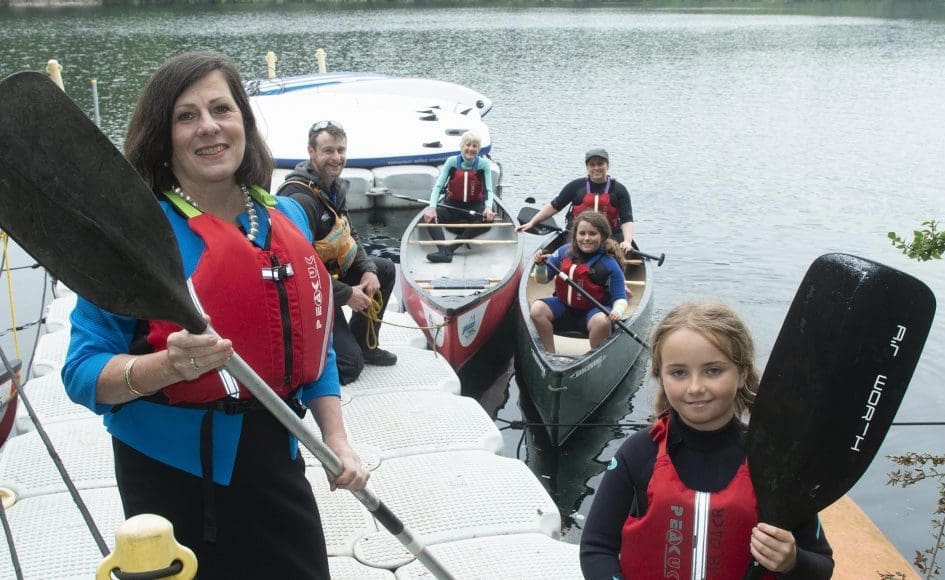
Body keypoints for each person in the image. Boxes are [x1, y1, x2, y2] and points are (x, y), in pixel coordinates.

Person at [62, 51, 369, 580]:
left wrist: (335, 439)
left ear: (244, 122)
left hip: (275, 454)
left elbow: (313, 350)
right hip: (168, 471)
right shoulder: (133, 237)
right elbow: (82, 372)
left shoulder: (286, 215)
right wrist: (167, 367)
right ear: (163, 134)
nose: (208, 127)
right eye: (186, 115)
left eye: (221, 110)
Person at [579, 301, 834, 579]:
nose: (696, 387)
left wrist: (791, 561)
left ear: (742, 375)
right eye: (678, 372)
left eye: (713, 370)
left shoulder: (772, 462)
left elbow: (821, 564)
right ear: (661, 377)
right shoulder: (639, 454)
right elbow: (596, 548)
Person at [277, 120, 398, 384]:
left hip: (330, 275)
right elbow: (297, 270)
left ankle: (364, 345)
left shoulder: (334, 187)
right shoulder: (299, 200)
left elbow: (348, 232)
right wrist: (346, 294)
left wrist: (367, 269)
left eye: (341, 150)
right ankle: (312, 356)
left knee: (384, 268)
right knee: (347, 366)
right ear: (311, 152)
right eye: (328, 151)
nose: (337, 157)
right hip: (309, 291)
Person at [529, 211, 628, 353]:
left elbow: (620, 298)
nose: (586, 238)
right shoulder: (563, 252)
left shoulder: (610, 264)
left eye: (593, 234)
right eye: (582, 233)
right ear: (575, 235)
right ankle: (549, 354)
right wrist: (539, 266)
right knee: (537, 309)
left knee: (602, 320)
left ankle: (593, 358)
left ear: (603, 236)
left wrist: (617, 311)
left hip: (593, 313)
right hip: (564, 308)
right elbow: (542, 280)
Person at [516, 147, 634, 255]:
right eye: (592, 165)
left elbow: (626, 219)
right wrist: (532, 222)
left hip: (609, 236)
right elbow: (554, 206)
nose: (596, 168)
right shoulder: (576, 186)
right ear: (587, 167)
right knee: (567, 256)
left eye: (600, 164)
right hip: (578, 236)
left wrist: (627, 241)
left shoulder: (619, 190)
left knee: (616, 257)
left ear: (607, 165)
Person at [422, 130, 497, 263]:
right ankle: (443, 251)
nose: (471, 149)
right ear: (462, 146)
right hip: (452, 205)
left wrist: (488, 208)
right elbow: (438, 187)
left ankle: (449, 249)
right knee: (429, 217)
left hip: (474, 205)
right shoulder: (452, 162)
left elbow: (488, 191)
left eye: (475, 146)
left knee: (488, 220)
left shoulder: (483, 164)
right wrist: (432, 207)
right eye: (468, 145)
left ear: (478, 149)